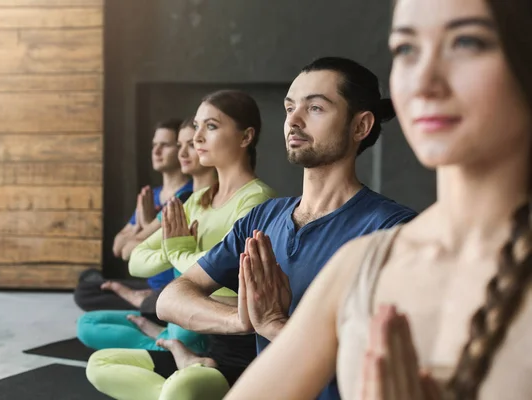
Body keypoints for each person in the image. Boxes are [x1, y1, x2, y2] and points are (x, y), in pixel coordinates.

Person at [224, 0, 532, 399]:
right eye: (406, 49)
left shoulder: (381, 226)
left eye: (467, 42)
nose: (424, 81)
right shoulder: (360, 264)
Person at [157, 57, 417, 400]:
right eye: (290, 107)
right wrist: (244, 319)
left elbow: (386, 363)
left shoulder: (394, 231)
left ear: (360, 127)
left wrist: (276, 326)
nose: (293, 120)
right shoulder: (263, 218)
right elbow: (171, 297)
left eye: (316, 108)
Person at [84, 90, 276, 400]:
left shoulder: (258, 200)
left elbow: (231, 271)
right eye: (196, 126)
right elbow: (137, 260)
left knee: (180, 389)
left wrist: (178, 251)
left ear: (245, 137)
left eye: (210, 127)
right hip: (190, 329)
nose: (198, 137)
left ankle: (182, 370)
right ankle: (181, 364)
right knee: (99, 363)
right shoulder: (196, 201)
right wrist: (183, 252)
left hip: (233, 346)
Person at [74, 118, 193, 316]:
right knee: (86, 284)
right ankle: (142, 305)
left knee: (87, 291)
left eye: (165, 145)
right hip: (148, 282)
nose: (156, 151)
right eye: (154, 145)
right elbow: (118, 248)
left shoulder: (186, 195)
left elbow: (130, 251)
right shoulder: (151, 195)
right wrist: (142, 225)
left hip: (168, 286)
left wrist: (144, 224)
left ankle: (147, 307)